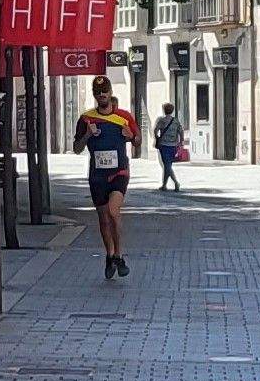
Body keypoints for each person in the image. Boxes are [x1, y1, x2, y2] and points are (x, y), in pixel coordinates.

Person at [72, 75, 139, 279]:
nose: (102, 95)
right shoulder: (86, 118)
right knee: (103, 219)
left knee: (113, 211)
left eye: (105, 91)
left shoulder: (124, 117)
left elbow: (138, 141)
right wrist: (87, 135)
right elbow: (76, 148)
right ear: (94, 95)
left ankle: (119, 254)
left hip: (119, 172)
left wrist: (131, 137)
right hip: (97, 176)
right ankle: (109, 255)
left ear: (110, 93)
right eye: (98, 92)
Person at [152, 104, 186, 193]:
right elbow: (181, 131)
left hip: (164, 145)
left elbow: (156, 130)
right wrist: (181, 142)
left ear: (164, 110)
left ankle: (176, 182)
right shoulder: (176, 121)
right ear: (172, 110)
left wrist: (157, 137)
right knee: (168, 165)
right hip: (173, 146)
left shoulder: (162, 121)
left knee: (167, 165)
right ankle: (164, 185)